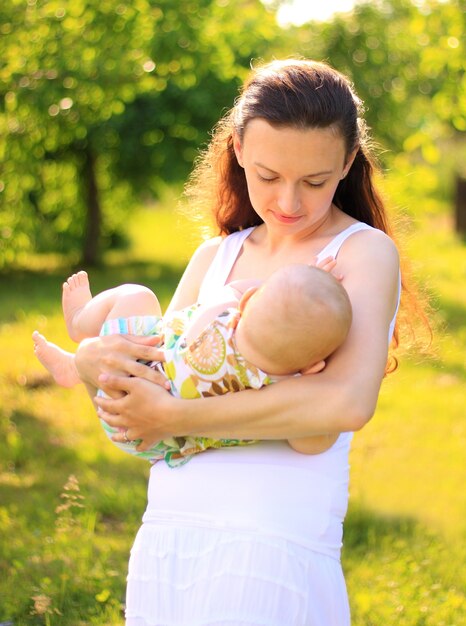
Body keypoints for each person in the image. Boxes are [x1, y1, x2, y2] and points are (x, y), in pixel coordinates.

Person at [73, 59, 402, 625]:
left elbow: (344, 403)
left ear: (347, 163)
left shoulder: (360, 252)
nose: (289, 204)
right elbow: (154, 387)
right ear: (239, 151)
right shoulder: (216, 257)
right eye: (269, 176)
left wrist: (177, 417)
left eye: (316, 182)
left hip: (271, 539)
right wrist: (92, 360)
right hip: (171, 534)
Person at [33, 259, 352, 466]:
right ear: (313, 367)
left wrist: (296, 281)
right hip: (147, 439)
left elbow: (230, 295)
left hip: (127, 386)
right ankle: (76, 366)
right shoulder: (279, 389)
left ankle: (78, 329)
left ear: (249, 300)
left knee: (138, 297)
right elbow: (313, 442)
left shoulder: (225, 316)